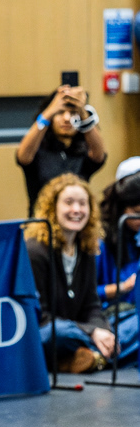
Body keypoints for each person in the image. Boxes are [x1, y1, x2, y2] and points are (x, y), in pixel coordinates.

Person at [24, 173, 116, 373]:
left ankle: (86, 358)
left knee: (131, 324)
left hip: (79, 330)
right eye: (69, 203)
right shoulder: (35, 250)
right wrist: (92, 332)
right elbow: (40, 317)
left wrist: (103, 330)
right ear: (52, 208)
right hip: (48, 332)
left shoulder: (88, 248)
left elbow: (92, 306)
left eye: (83, 204)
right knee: (60, 333)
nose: (77, 210)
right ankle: (100, 356)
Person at [16, 84, 106, 214]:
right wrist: (50, 110)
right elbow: (23, 156)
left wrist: (82, 112)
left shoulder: (83, 151)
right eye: (60, 113)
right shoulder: (38, 150)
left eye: (73, 113)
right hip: (42, 223)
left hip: (75, 221)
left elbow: (99, 156)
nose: (67, 118)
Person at [95, 158, 140, 362]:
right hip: (111, 318)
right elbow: (83, 297)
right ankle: (98, 356)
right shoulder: (100, 242)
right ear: (122, 208)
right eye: (137, 213)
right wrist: (122, 287)